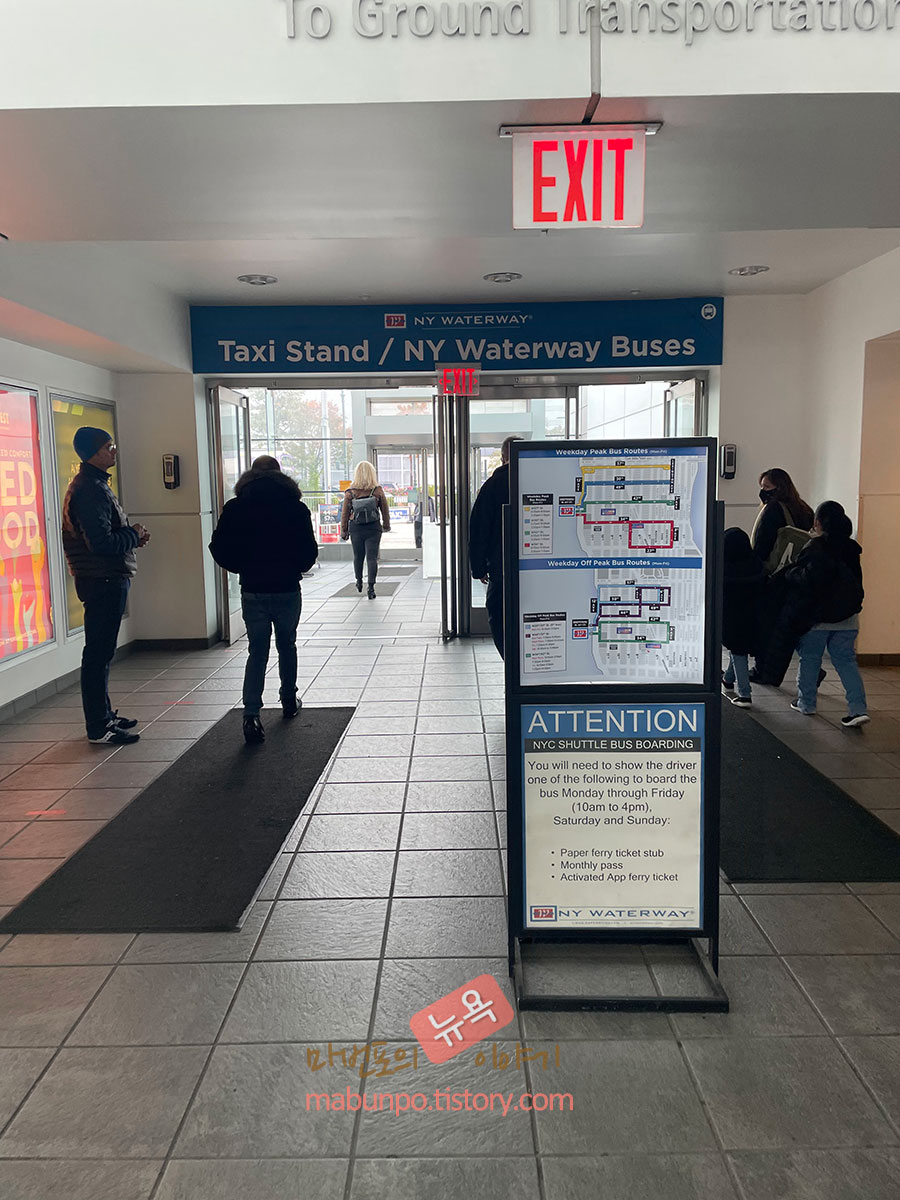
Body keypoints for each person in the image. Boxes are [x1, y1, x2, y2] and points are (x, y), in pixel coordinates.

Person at [209, 455, 318, 745]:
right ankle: (288, 699)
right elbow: (309, 551)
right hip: (286, 587)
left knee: (257, 651)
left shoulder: (236, 507)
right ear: (280, 476)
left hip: (253, 587)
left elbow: (218, 546)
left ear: (251, 475)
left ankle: (251, 713)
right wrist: (295, 567)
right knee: (287, 644)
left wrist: (241, 567)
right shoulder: (295, 507)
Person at [62, 427, 150, 745]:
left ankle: (104, 715)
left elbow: (106, 536)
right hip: (103, 579)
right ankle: (99, 725)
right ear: (93, 453)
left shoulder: (94, 485)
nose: (113, 451)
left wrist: (132, 537)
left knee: (101, 652)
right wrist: (133, 534)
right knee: (98, 654)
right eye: (108, 446)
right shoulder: (90, 490)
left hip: (104, 577)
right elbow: (100, 543)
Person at [784, 501, 868, 726]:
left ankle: (806, 703)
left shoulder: (815, 547)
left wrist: (790, 574)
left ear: (818, 522)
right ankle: (858, 709)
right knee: (846, 662)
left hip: (817, 618)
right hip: (848, 618)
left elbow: (805, 579)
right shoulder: (852, 549)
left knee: (810, 659)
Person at [469, 435, 523, 657]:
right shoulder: (541, 479)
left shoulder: (493, 485)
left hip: (502, 568)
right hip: (538, 572)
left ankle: (510, 663)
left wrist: (479, 568)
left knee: (499, 616)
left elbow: (479, 529)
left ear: (503, 458)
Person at [721, 528, 765, 708]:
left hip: (731, 616)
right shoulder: (757, 564)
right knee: (739, 650)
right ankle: (728, 678)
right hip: (754, 616)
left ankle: (744, 694)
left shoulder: (725, 568)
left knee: (738, 652)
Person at [340, 460, 391, 598]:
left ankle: (358, 581)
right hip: (373, 528)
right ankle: (371, 588)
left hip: (356, 528)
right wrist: (386, 525)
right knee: (372, 558)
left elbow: (345, 513)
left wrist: (344, 530)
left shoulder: (350, 492)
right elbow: (385, 510)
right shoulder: (377, 490)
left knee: (358, 556)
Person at [751, 467, 815, 566]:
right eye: (762, 487)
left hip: (777, 566)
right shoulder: (804, 508)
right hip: (799, 565)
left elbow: (763, 543)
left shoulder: (773, 509)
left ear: (780, 488)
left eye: (767, 487)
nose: (762, 491)